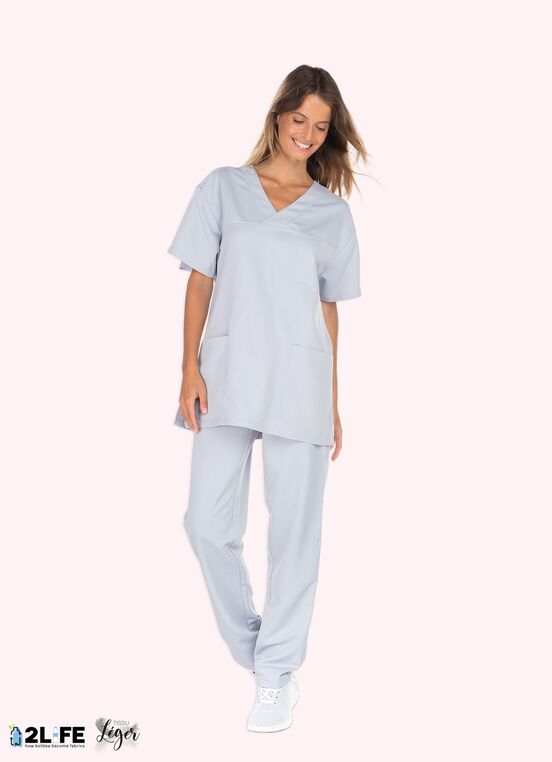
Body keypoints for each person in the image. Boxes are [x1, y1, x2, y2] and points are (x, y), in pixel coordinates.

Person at [168, 65, 366, 733]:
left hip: (302, 383)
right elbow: (200, 280)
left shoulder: (332, 214)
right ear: (278, 115)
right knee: (205, 525)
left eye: (321, 126)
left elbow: (329, 310)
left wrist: (333, 401)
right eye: (299, 119)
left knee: (294, 534)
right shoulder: (223, 188)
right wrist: (188, 369)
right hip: (226, 375)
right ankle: (257, 650)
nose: (308, 134)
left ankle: (276, 675)